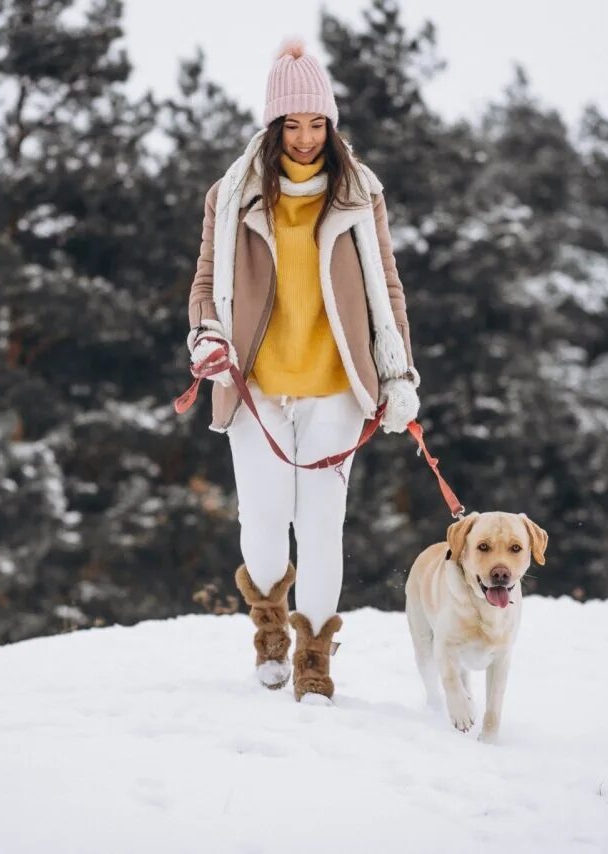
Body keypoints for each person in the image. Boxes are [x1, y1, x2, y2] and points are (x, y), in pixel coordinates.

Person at [186, 37, 420, 704]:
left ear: (332, 126)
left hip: (336, 389)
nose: (307, 137)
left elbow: (388, 290)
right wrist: (206, 336)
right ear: (272, 127)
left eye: (318, 124)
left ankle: (315, 659)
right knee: (263, 522)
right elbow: (206, 281)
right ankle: (268, 631)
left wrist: (398, 374)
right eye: (294, 124)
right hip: (256, 387)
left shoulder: (359, 193)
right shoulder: (230, 197)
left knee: (322, 526)